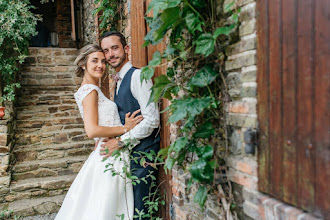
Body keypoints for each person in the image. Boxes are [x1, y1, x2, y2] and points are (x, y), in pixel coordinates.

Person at [55, 44, 143, 220]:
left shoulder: (90, 89)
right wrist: (126, 128)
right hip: (108, 155)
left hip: (109, 150)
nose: (100, 66)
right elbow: (92, 130)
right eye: (94, 61)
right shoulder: (90, 91)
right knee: (107, 206)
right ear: (83, 64)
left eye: (103, 61)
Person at [100, 31, 160, 219]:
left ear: (126, 49)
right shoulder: (118, 82)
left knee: (141, 212)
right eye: (106, 51)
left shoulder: (137, 76)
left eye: (115, 48)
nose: (111, 54)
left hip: (144, 156)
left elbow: (152, 119)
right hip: (130, 157)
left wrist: (120, 142)